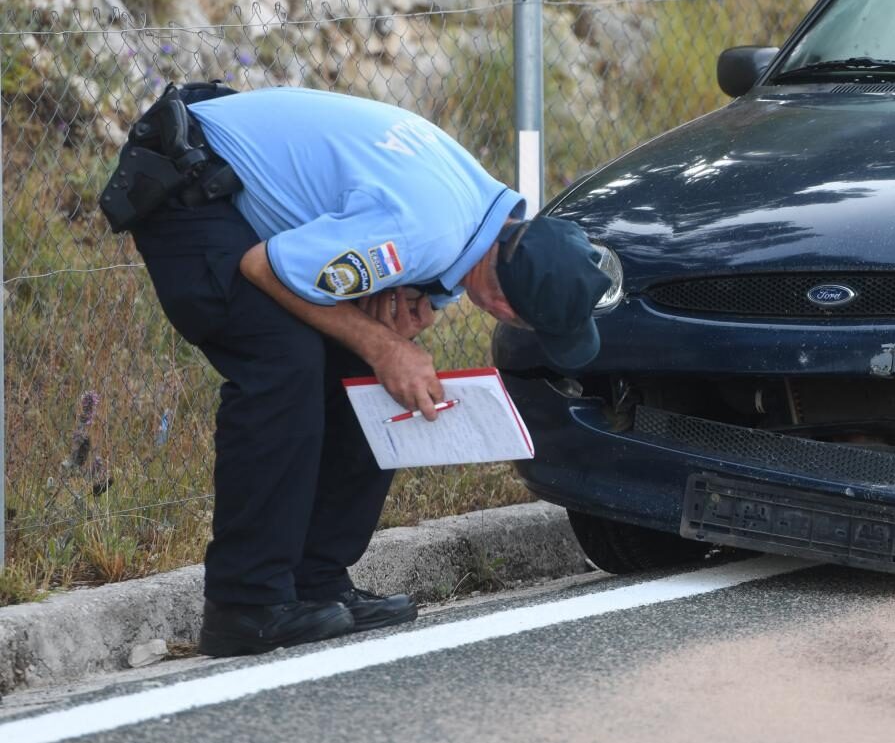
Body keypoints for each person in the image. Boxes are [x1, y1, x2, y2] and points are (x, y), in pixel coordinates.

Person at [103, 84, 613, 657]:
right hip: (186, 182)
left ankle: (315, 582)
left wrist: (389, 329)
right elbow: (265, 267)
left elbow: (363, 262)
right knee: (283, 363)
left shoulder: (485, 217)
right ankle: (245, 605)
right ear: (502, 305)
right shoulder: (427, 230)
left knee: (357, 370)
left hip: (231, 185)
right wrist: (385, 346)